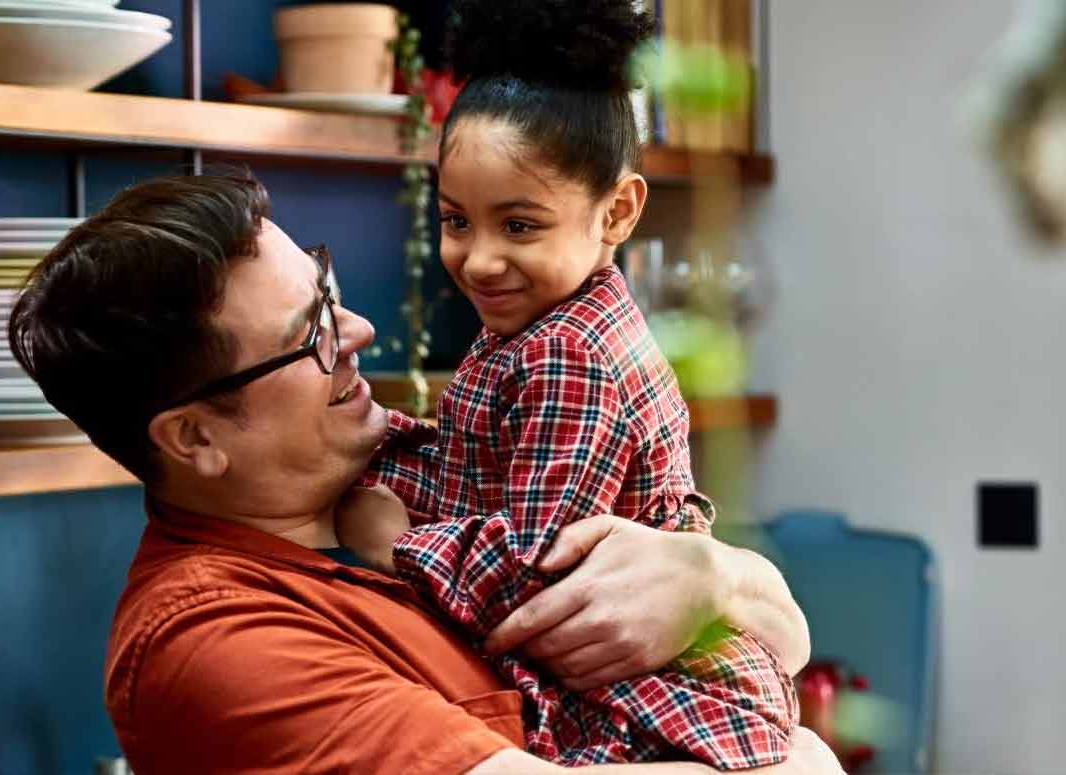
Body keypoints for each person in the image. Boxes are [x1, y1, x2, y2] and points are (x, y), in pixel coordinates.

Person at [7, 172, 838, 775]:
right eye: (313, 335)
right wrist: (799, 760)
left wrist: (713, 574)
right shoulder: (209, 645)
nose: (361, 328)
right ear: (194, 437)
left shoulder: (412, 468)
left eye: (330, 291)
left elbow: (789, 639)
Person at [336, 0, 795, 769]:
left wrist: (395, 542)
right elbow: (471, 468)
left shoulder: (568, 355)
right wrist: (377, 446)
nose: (479, 259)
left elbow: (537, 573)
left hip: (650, 705)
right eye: (456, 221)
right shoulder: (535, 325)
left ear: (616, 211)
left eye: (519, 226)